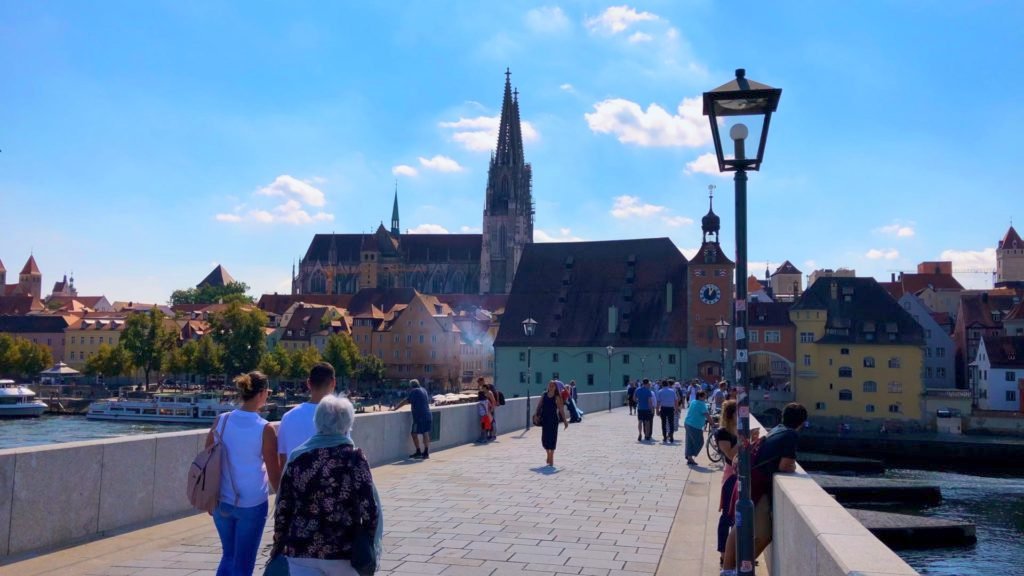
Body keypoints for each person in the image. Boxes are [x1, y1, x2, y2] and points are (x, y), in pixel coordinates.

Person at [272, 395, 382, 576]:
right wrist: (367, 540)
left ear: (317, 422)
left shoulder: (298, 458)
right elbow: (369, 508)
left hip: (301, 549)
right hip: (343, 550)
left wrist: (279, 542)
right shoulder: (353, 458)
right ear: (347, 424)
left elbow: (283, 506)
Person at [206, 371, 281, 576]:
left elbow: (207, 458)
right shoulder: (265, 428)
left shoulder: (221, 421)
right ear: (262, 393)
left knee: (228, 555)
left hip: (222, 499)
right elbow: (274, 473)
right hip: (252, 502)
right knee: (244, 562)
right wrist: (284, 501)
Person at [722, 403, 808, 576]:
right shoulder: (791, 435)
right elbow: (785, 466)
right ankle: (738, 569)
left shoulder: (777, 429)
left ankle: (729, 569)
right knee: (764, 534)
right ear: (801, 423)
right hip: (757, 483)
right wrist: (792, 467)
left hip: (749, 478)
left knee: (738, 526)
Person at [277, 362, 336, 475]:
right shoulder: (338, 417)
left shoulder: (288, 417)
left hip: (296, 489)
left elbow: (283, 461)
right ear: (333, 382)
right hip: (328, 489)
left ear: (308, 383)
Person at [714, 400, 740, 565]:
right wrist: (743, 439)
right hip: (731, 477)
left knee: (739, 518)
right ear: (731, 415)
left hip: (743, 476)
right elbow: (730, 455)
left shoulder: (740, 430)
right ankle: (724, 554)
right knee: (727, 517)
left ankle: (735, 553)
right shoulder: (722, 433)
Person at [392, 379, 433, 459]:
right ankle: (426, 452)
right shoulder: (424, 390)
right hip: (428, 415)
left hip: (419, 417)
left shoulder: (414, 391)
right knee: (425, 433)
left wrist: (395, 408)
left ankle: (418, 451)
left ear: (411, 386)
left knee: (414, 433)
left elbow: (406, 401)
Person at [535, 379, 569, 467]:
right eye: (549, 385)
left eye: (552, 385)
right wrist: (536, 414)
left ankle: (551, 456)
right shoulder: (544, 395)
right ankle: (548, 454)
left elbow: (561, 409)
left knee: (553, 438)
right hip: (545, 419)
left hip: (553, 420)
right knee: (545, 439)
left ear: (555, 387)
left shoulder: (557, 397)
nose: (550, 386)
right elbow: (539, 405)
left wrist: (565, 421)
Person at [683, 390, 713, 466]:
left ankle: (689, 457)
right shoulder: (702, 404)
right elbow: (707, 415)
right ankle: (690, 455)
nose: (705, 397)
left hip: (688, 423)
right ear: (700, 397)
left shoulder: (693, 402)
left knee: (689, 441)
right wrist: (713, 424)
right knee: (700, 442)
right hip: (694, 426)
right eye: (704, 396)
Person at [655, 378, 679, 443]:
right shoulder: (672, 391)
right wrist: (676, 409)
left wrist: (657, 410)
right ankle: (671, 436)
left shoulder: (660, 391)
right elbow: (676, 401)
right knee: (671, 423)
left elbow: (658, 402)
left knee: (663, 423)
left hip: (663, 409)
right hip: (671, 409)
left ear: (662, 385)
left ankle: (665, 437)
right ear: (667, 384)